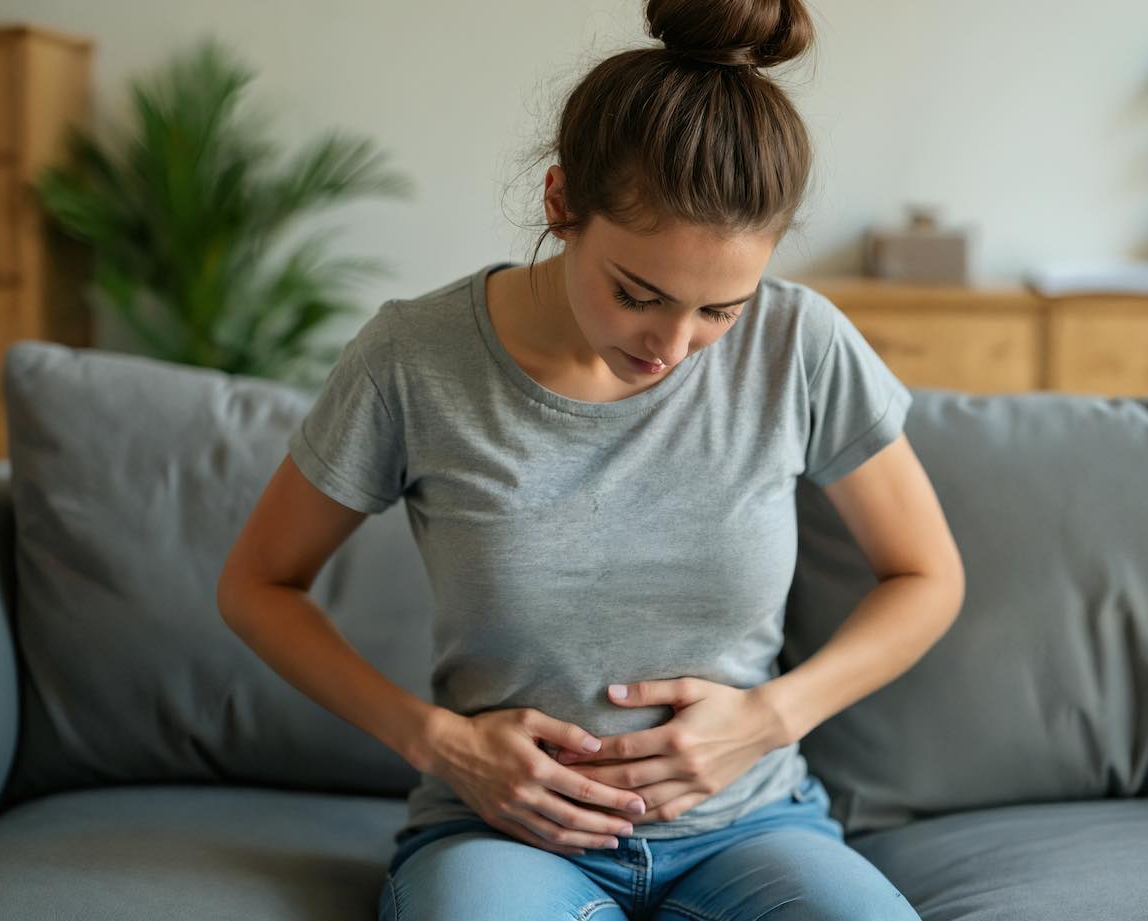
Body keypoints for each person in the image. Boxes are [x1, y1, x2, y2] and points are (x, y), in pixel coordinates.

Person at [217, 0, 965, 916]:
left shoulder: (800, 343)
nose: (673, 347)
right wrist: (440, 742)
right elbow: (258, 585)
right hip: (504, 836)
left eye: (721, 310)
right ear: (561, 202)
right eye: (638, 294)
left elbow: (927, 575)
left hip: (751, 828)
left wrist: (769, 718)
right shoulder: (412, 359)